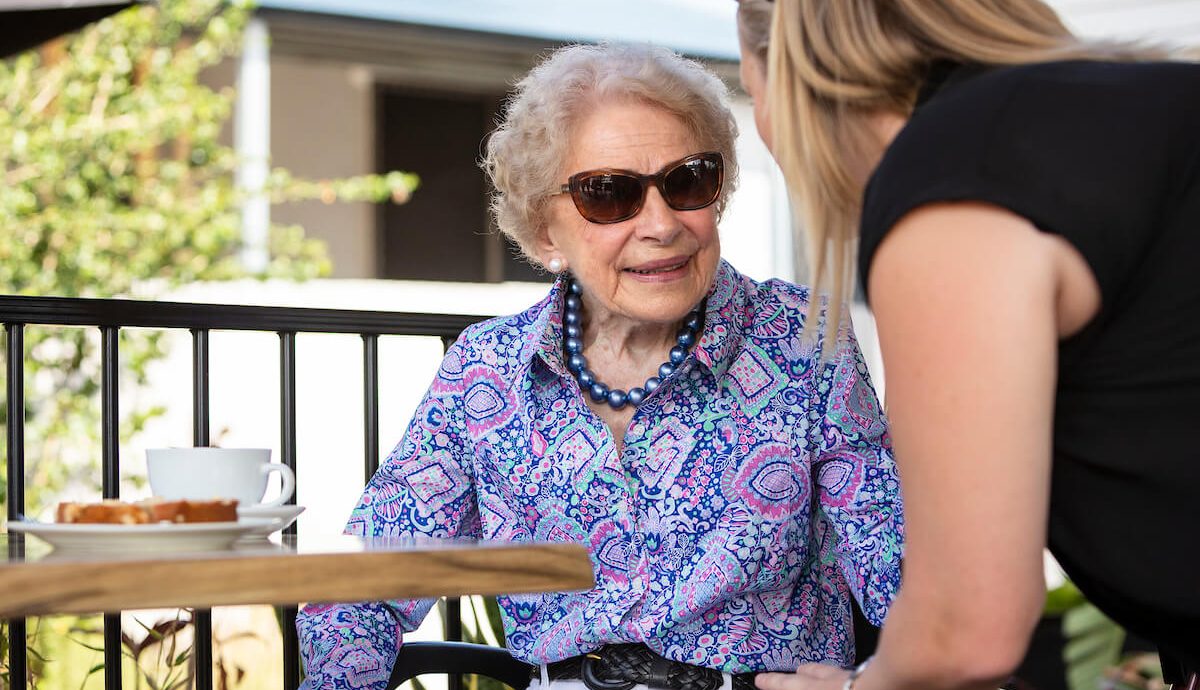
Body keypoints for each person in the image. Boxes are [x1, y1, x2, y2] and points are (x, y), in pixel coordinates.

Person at [295, 42, 903, 689]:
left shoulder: (804, 340)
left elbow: (901, 568)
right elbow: (366, 583)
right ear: (544, 230)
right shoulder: (487, 370)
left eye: (687, 181)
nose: (662, 223)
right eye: (610, 195)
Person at [734, 1, 1200, 689]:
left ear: (793, 76)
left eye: (750, 91)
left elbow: (967, 626)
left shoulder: (953, 180)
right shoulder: (1152, 100)